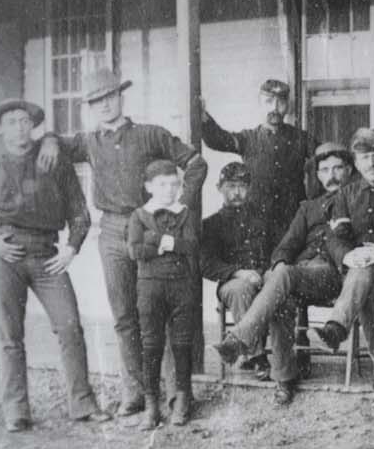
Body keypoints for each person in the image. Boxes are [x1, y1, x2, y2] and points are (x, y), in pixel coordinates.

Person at [36, 67, 207, 414]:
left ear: (120, 97)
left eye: (109, 97)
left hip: (152, 228)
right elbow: (56, 142)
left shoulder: (150, 134)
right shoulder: (88, 141)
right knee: (125, 314)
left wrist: (180, 206)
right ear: (90, 106)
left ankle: (177, 395)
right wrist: (52, 139)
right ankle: (138, 393)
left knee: (165, 311)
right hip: (112, 233)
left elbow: (196, 163)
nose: (103, 105)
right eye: (96, 100)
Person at [0, 98, 108, 431]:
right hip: (6, 256)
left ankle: (82, 403)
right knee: (10, 335)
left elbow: (79, 212)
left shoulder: (54, 160)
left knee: (69, 326)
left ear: (33, 126)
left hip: (47, 255)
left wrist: (71, 249)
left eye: (25, 120)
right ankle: (16, 411)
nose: (20, 127)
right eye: (11, 122)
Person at [217, 141, 355, 406]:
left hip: (336, 274)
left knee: (283, 278)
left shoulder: (358, 200)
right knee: (280, 295)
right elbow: (286, 245)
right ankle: (284, 379)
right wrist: (280, 262)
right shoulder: (308, 207)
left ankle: (241, 340)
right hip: (300, 273)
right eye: (325, 170)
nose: (332, 176)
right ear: (317, 175)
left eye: (338, 168)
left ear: (349, 170)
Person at [315, 128, 374, 391]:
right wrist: (348, 255)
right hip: (360, 274)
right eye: (364, 157)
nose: (371, 163)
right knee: (369, 284)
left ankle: (337, 326)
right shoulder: (346, 194)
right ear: (356, 163)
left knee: (370, 276)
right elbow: (335, 238)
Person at [125, 159, 201, 428]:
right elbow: (134, 251)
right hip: (149, 287)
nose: (169, 190)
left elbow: (191, 246)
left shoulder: (186, 214)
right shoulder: (139, 215)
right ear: (148, 187)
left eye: (174, 184)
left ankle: (182, 400)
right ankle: (151, 406)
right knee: (151, 345)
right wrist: (169, 246)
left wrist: (155, 240)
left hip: (181, 286)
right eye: (162, 185)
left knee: (181, 345)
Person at [200, 79, 316, 252]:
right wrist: (202, 115)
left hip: (293, 222)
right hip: (257, 223)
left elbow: (327, 156)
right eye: (269, 102)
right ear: (260, 104)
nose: (275, 108)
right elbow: (218, 139)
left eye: (281, 102)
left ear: (288, 105)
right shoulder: (248, 139)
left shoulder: (301, 138)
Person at [199, 161, 279, 381]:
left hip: (264, 276)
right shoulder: (211, 225)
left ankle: (241, 345)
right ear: (219, 188)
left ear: (250, 189)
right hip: (232, 282)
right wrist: (239, 272)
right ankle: (258, 357)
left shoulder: (264, 220)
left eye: (242, 186)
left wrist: (265, 273)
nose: (236, 192)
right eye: (231, 186)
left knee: (277, 281)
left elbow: (279, 250)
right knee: (241, 289)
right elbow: (206, 264)